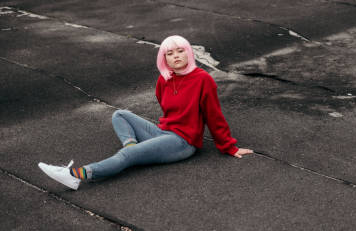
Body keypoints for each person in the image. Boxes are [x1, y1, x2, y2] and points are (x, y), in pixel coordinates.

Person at [38, 35, 253, 190]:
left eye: (180, 51)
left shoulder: (202, 79)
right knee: (119, 115)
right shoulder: (164, 79)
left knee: (127, 156)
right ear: (164, 58)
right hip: (164, 132)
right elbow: (165, 105)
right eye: (170, 53)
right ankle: (134, 146)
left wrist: (228, 147)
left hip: (182, 142)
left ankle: (76, 175)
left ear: (188, 53)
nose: (176, 56)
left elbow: (214, 116)